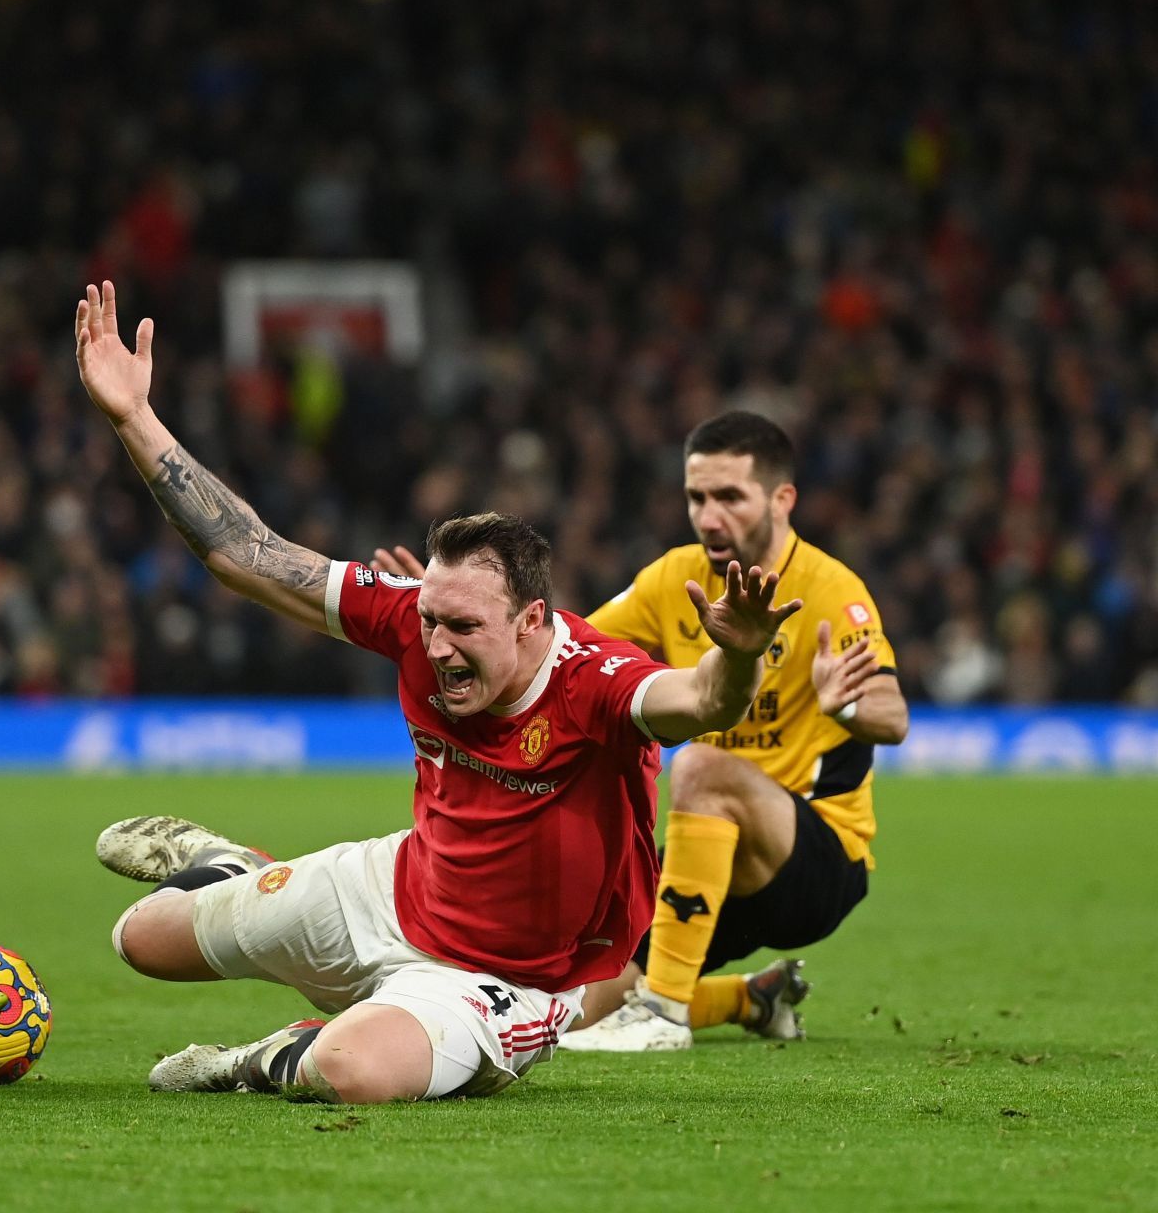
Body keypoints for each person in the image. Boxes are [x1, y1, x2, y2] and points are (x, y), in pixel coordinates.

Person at [72, 282, 802, 1102]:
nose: (436, 647)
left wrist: (737, 657)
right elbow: (246, 553)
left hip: (503, 977)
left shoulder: (595, 680)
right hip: (396, 888)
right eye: (430, 621)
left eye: (463, 628)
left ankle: (263, 1059)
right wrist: (134, 418)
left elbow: (703, 702)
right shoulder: (412, 619)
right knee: (141, 939)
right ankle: (234, 866)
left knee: (350, 1070)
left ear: (532, 621)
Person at [375, 411, 907, 1050]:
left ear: (782, 499)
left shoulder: (830, 591)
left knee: (703, 767)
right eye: (697, 497)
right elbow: (561, 657)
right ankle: (752, 997)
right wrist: (466, 617)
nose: (710, 517)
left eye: (730, 497)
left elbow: (892, 715)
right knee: (570, 1004)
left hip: (814, 857)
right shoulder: (673, 578)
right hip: (706, 854)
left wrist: (844, 705)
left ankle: (664, 1012)